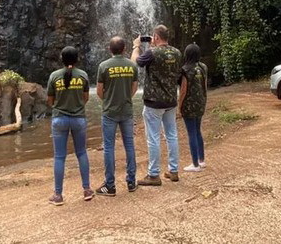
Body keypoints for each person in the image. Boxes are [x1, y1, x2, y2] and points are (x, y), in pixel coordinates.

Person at [131, 25, 182, 185]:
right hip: (171, 100)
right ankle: (173, 170)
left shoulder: (151, 53)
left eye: (153, 37)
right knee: (171, 135)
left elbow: (134, 64)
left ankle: (153, 174)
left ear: (156, 37)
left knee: (153, 137)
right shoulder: (177, 52)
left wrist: (136, 46)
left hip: (154, 102)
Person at [46, 46, 94, 206]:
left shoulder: (54, 76)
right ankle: (87, 190)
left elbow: (50, 100)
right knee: (81, 153)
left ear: (62, 59)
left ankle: (58, 195)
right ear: (77, 59)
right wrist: (77, 105)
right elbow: (86, 97)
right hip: (78, 119)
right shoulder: (83, 75)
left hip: (59, 119)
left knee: (59, 157)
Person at [95, 36, 139, 196]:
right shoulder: (131, 65)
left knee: (109, 148)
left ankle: (110, 185)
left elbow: (99, 91)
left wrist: (109, 100)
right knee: (129, 145)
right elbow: (135, 87)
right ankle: (132, 182)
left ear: (109, 49)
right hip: (126, 111)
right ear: (124, 49)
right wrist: (125, 98)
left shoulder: (104, 66)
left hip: (109, 112)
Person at [178, 43, 208, 172]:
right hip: (200, 102)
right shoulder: (203, 67)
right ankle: (202, 160)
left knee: (192, 133)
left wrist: (179, 106)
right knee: (197, 131)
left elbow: (183, 90)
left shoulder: (185, 69)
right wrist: (204, 98)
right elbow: (205, 85)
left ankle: (195, 165)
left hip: (189, 104)